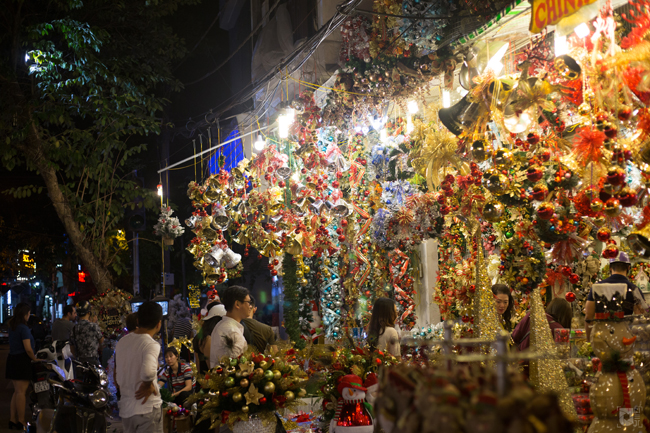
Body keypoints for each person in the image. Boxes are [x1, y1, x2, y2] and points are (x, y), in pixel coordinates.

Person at [115, 301, 163, 433]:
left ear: (138, 320)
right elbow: (148, 372)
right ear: (159, 324)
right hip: (146, 408)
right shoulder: (151, 344)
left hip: (127, 409)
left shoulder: (122, 342)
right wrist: (148, 384)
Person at [585, 251, 647, 340]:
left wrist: (589, 341)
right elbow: (641, 320)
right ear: (629, 267)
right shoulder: (634, 290)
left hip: (601, 339)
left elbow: (588, 317)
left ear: (610, 268)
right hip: (624, 340)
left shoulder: (597, 287)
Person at [6, 303, 38, 430]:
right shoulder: (23, 328)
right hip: (21, 360)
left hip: (13, 359)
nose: (29, 316)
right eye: (29, 314)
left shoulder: (12, 326)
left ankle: (12, 419)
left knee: (16, 391)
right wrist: (35, 358)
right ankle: (21, 420)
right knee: (21, 392)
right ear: (25, 314)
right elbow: (28, 348)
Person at [209, 286, 250, 368]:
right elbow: (236, 366)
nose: (250, 306)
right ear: (237, 304)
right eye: (248, 302)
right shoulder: (232, 331)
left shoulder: (221, 324)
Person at [193, 303, 226, 375]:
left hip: (204, 380)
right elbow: (212, 368)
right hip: (210, 382)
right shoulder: (208, 339)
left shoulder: (203, 337)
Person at [70, 301, 104, 365]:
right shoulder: (94, 326)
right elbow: (102, 341)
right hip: (93, 362)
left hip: (80, 362)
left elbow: (72, 347)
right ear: (89, 313)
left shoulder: (74, 328)